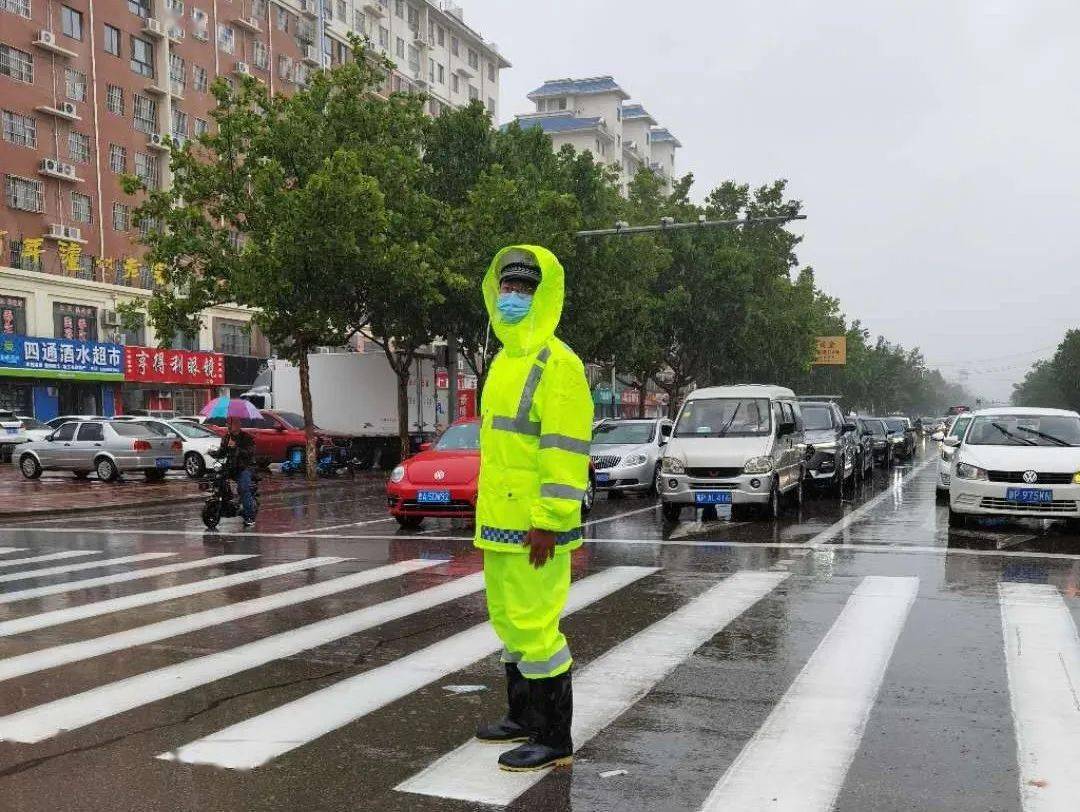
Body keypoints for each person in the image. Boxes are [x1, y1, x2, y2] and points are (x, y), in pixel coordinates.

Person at [473, 246, 593, 772]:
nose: (513, 297)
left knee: (537, 627)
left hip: (535, 527)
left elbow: (565, 452)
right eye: (507, 287)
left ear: (544, 296)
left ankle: (553, 737)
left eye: (524, 289)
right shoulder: (503, 360)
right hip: (498, 523)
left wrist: (549, 521)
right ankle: (522, 718)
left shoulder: (559, 364)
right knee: (508, 621)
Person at [218, 415, 257, 528]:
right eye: (227, 424)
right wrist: (215, 452)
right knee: (217, 480)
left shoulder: (247, 438)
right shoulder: (226, 438)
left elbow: (250, 453)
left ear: (238, 425)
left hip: (244, 467)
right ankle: (226, 502)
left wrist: (236, 447)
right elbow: (222, 452)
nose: (229, 426)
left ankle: (249, 516)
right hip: (230, 467)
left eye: (231, 424)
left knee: (243, 489)